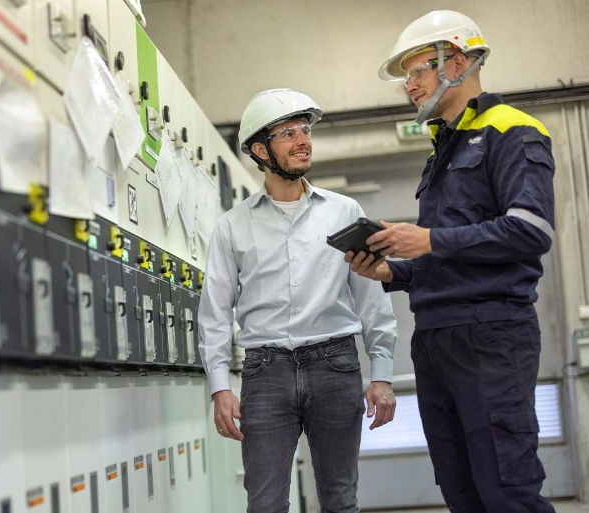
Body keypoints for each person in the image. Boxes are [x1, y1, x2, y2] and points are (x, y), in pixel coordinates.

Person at [347, 10, 557, 513]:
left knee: (506, 489)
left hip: (490, 334)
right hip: (435, 338)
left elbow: (531, 230)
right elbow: (445, 255)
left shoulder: (511, 130)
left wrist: (429, 240)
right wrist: (390, 270)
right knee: (461, 491)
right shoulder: (443, 146)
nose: (410, 86)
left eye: (417, 71)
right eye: (406, 78)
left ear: (457, 63)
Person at [198, 88, 398, 513]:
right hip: (265, 373)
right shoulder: (232, 226)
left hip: (335, 366)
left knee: (340, 499)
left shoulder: (344, 212)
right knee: (265, 503)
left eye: (305, 130)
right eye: (288, 133)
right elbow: (214, 312)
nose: (303, 140)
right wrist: (219, 387)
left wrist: (382, 374)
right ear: (260, 150)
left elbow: (372, 298)